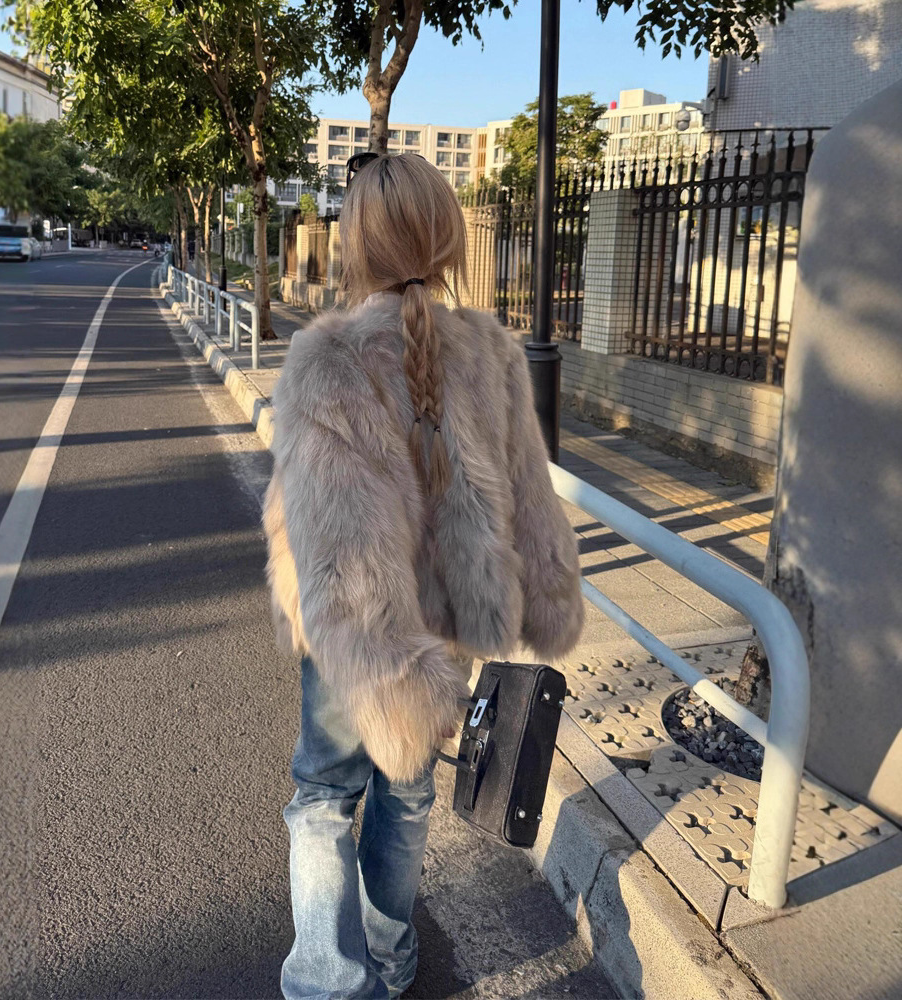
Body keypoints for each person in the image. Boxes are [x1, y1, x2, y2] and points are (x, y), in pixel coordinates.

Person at [262, 152, 584, 1000]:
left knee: (323, 800)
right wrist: (547, 595)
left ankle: (328, 983)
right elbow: (530, 496)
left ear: (355, 243)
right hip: (445, 629)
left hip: (351, 632)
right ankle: (391, 957)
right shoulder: (492, 351)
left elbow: (326, 524)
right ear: (446, 240)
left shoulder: (325, 357)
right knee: (406, 801)